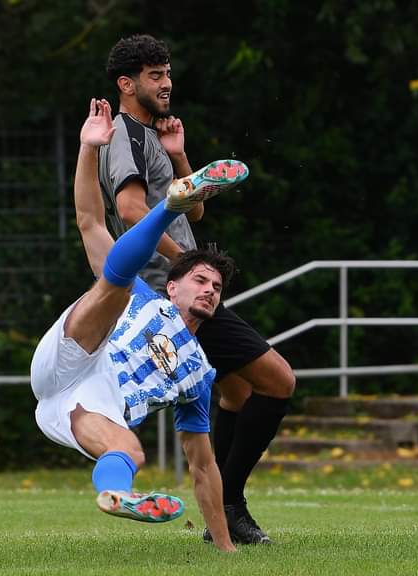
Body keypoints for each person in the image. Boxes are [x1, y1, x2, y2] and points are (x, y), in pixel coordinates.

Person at [99, 34, 296, 545]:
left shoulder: (152, 136)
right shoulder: (124, 136)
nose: (167, 83)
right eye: (155, 75)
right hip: (166, 296)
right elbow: (130, 211)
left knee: (234, 391)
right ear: (127, 84)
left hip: (182, 283)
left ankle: (225, 508)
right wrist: (183, 263)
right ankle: (228, 506)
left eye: (167, 72)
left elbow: (196, 208)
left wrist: (181, 157)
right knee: (278, 381)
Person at [31, 97, 250, 553]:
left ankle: (119, 494)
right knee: (117, 283)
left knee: (129, 451)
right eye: (199, 279)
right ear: (172, 287)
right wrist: (89, 148)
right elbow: (90, 221)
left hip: (84, 406)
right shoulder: (149, 297)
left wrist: (226, 548)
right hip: (74, 353)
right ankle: (169, 207)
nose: (210, 289)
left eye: (217, 286)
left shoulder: (199, 374)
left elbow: (204, 467)